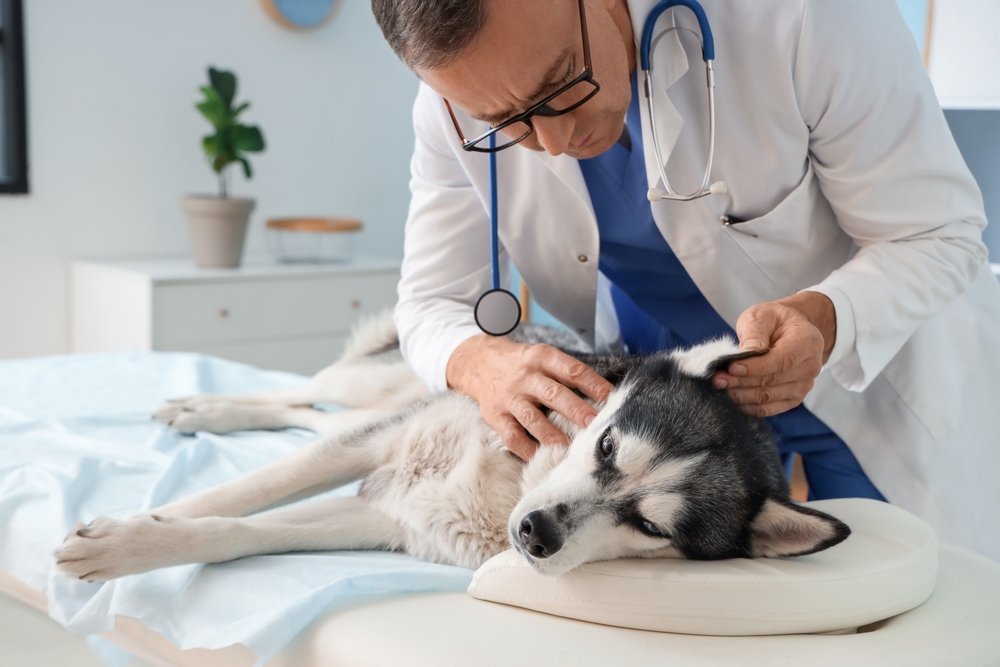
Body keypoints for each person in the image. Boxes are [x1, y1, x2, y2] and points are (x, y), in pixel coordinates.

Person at [371, 0, 1000, 559]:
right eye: (510, 121)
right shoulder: (456, 107)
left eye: (563, 78)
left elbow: (938, 234)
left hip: (870, 374)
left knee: (886, 608)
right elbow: (429, 304)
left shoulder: (805, 15)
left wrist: (826, 316)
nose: (557, 140)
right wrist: (476, 360)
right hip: (653, 395)